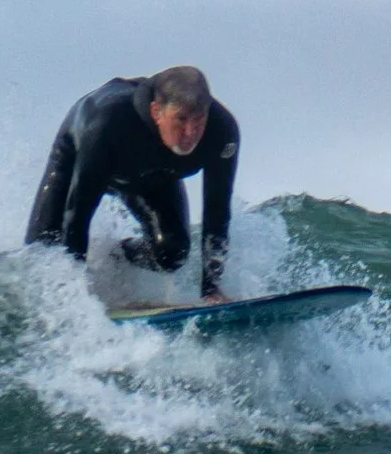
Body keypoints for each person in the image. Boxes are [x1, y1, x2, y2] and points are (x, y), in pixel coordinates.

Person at [25, 66, 240, 300]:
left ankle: (116, 256)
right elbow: (78, 214)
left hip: (151, 175)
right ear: (156, 111)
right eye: (181, 119)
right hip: (78, 158)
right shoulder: (108, 124)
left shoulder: (222, 132)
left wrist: (210, 288)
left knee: (172, 254)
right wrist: (77, 299)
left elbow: (217, 210)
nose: (190, 132)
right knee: (42, 254)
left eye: (199, 120)